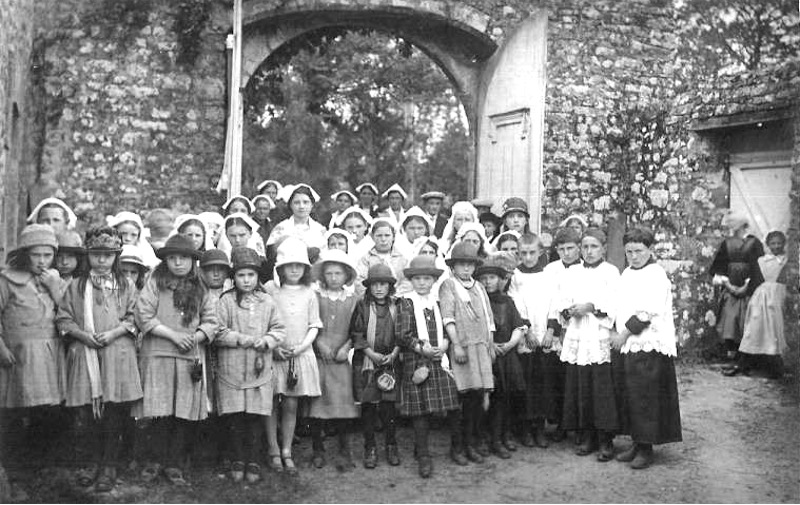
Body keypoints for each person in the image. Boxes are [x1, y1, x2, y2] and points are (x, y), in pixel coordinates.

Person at [56, 226, 142, 492]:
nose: (102, 261)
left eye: (108, 255)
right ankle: (92, 462)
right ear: (88, 256)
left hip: (117, 354)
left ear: (117, 256)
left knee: (114, 412)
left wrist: (115, 332)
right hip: (87, 352)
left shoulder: (125, 285)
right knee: (89, 414)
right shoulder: (77, 286)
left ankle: (109, 464)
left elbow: (135, 316)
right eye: (96, 255)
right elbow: (63, 317)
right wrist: (82, 335)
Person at [134, 234, 219, 485]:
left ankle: (175, 463)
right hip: (158, 353)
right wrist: (173, 335)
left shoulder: (200, 287)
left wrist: (196, 337)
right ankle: (155, 460)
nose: (178, 263)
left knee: (182, 412)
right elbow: (143, 315)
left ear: (193, 261)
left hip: (187, 356)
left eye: (184, 258)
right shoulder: (155, 282)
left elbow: (211, 321)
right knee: (158, 411)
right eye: (172, 258)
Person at [214, 247, 286, 484]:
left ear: (258, 277)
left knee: (255, 415)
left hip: (259, 365)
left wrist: (266, 341)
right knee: (235, 416)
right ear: (233, 277)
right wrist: (243, 339)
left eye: (251, 275)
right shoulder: (225, 301)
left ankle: (253, 459)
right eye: (241, 275)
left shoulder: (267, 301)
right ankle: (237, 457)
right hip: (232, 367)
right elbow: (218, 331)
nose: (246, 280)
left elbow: (279, 329)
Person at [612, 227, 682, 469]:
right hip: (630, 344)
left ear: (650, 250)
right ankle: (637, 441)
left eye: (639, 251)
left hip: (647, 344)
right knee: (632, 394)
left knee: (646, 397)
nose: (634, 256)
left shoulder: (656, 274)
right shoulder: (628, 273)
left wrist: (622, 335)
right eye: (629, 251)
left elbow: (647, 313)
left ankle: (646, 448)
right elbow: (621, 305)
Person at [0, 225, 65, 464]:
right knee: (15, 407)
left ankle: (40, 462)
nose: (42, 261)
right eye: (36, 255)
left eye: (47, 255)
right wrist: (1, 347)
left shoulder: (56, 280)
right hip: (18, 353)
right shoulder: (6, 280)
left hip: (48, 353)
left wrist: (55, 288)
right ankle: (14, 464)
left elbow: (68, 314)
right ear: (24, 253)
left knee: (46, 409)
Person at [555, 228, 620, 462]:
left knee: (601, 388)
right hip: (577, 334)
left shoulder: (610, 272)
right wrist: (569, 310)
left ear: (603, 248)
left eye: (594, 247)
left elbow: (614, 302)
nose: (589, 251)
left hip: (598, 336)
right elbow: (561, 299)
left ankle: (605, 439)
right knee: (580, 386)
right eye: (585, 247)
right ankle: (586, 435)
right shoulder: (572, 272)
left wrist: (591, 307)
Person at [396, 255, 462, 478]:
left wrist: (444, 344)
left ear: (433, 280)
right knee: (421, 410)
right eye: (417, 279)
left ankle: (456, 447)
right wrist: (420, 348)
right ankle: (423, 454)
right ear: (411, 281)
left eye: (426, 278)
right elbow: (402, 334)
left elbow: (448, 324)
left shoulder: (438, 302)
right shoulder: (406, 302)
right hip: (417, 359)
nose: (422, 283)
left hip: (439, 358)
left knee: (452, 403)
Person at [264, 237, 322, 474]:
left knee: (290, 403)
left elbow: (314, 325)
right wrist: (274, 347)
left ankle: (287, 449)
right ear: (280, 268)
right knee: (270, 403)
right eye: (290, 265)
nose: (295, 270)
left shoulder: (310, 292)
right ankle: (272, 449)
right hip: (274, 354)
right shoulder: (270, 289)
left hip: (298, 355)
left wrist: (300, 348)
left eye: (299, 265)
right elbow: (264, 321)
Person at [439, 242, 495, 463]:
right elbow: (448, 317)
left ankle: (472, 442)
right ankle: (458, 447)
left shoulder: (479, 288)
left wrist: (489, 344)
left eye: (470, 265)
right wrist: (457, 344)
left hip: (480, 347)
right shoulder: (449, 286)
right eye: (461, 264)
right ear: (453, 266)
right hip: (462, 348)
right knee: (461, 399)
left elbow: (488, 319)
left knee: (477, 398)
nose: (466, 269)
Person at [509, 233, 564, 447]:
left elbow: (556, 303)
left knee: (543, 385)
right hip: (527, 336)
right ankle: (526, 429)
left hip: (545, 337)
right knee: (526, 385)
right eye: (523, 253)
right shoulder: (515, 276)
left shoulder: (549, 276)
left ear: (540, 252)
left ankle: (540, 429)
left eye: (532, 253)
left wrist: (551, 330)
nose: (528, 257)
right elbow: (516, 305)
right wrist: (527, 331)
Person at [309, 250, 360, 470]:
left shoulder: (353, 298)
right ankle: (318, 449)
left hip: (341, 357)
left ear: (346, 275)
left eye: (338, 273)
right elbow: (309, 322)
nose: (333, 278)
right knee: (317, 405)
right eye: (329, 273)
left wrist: (347, 347)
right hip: (319, 355)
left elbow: (358, 328)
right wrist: (318, 342)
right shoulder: (316, 296)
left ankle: (344, 449)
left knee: (342, 403)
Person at [475, 253, 526, 459]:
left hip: (506, 355)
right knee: (486, 400)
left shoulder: (507, 301)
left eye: (493, 278)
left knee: (504, 399)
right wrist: (491, 345)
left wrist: (510, 344)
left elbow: (518, 325)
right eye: (484, 278)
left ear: (501, 280)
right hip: (486, 355)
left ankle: (502, 436)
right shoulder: (477, 300)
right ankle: (486, 439)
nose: (488, 282)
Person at [350, 264, 401, 469]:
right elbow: (356, 334)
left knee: (389, 406)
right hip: (367, 363)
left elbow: (401, 332)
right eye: (375, 284)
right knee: (369, 406)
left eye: (383, 284)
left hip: (390, 361)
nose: (379, 288)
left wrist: (394, 353)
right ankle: (370, 446)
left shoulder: (397, 306)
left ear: (390, 286)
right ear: (369, 287)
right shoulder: (362, 306)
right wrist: (370, 353)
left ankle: (391, 444)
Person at [727, 230, 789, 378]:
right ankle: (743, 364)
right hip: (761, 296)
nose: (776, 246)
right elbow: (755, 279)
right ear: (768, 245)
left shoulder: (786, 260)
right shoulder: (762, 261)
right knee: (754, 328)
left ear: (784, 244)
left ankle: (776, 368)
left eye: (779, 243)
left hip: (776, 295)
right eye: (773, 243)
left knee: (773, 329)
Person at [709, 212, 764, 361]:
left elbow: (759, 267)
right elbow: (719, 267)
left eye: (736, 226)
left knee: (746, 322)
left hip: (749, 292)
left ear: (744, 226)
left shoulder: (755, 243)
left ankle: (745, 359)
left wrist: (746, 286)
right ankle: (731, 356)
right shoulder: (727, 244)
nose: (733, 229)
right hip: (730, 291)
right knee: (730, 321)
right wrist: (728, 285)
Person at [355, 218, 411, 297]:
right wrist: (373, 296)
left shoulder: (403, 258)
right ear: (372, 237)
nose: (383, 239)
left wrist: (395, 296)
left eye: (387, 235)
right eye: (379, 236)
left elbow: (408, 281)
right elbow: (359, 281)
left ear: (393, 237)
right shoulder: (366, 259)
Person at [268, 184, 327, 250]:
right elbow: (271, 254)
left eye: (305, 202)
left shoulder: (320, 230)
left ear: (312, 205)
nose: (301, 206)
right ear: (290, 205)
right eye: (296, 202)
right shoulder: (281, 228)